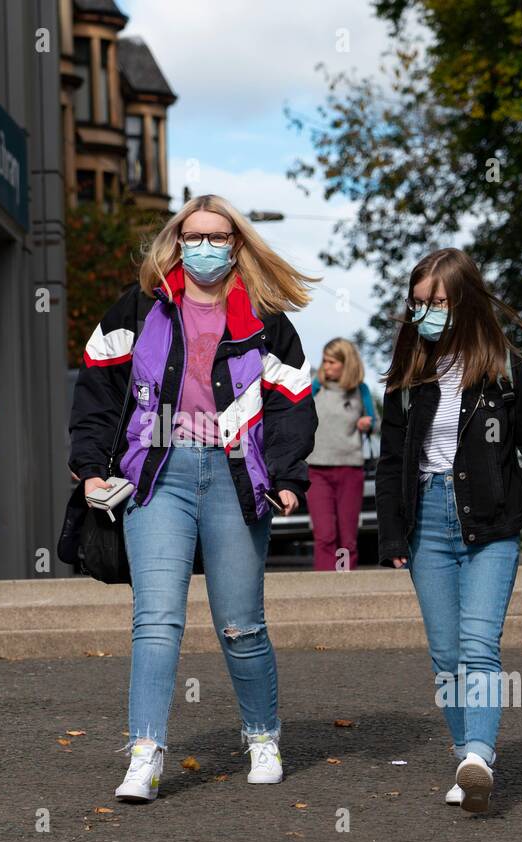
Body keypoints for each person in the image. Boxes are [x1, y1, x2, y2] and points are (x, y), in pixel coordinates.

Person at [68, 194, 318, 802]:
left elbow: (292, 405)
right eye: (193, 235)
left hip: (236, 477)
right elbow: (98, 388)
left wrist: (287, 477)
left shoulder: (266, 319)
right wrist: (91, 470)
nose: (205, 246)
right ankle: (145, 754)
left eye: (218, 236)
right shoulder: (140, 308)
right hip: (159, 476)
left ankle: (262, 737)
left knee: (241, 625)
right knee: (155, 622)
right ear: (177, 241)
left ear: (236, 246)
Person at [375, 248, 522, 813]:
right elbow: (389, 464)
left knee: (479, 646)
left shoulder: (506, 371)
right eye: (420, 302)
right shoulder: (408, 377)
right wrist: (391, 536)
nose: (428, 312)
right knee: (445, 654)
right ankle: (465, 758)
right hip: (425, 523)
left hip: (491, 526)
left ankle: (479, 756)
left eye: (440, 301)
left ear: (467, 304)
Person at [307, 337, 376, 571]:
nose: (326, 366)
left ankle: (344, 588)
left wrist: (368, 423)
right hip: (317, 471)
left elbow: (374, 422)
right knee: (325, 534)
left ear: (347, 364)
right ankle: (324, 591)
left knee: (347, 538)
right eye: (324, 361)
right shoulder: (315, 386)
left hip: (349, 470)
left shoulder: (360, 390)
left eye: (332, 362)